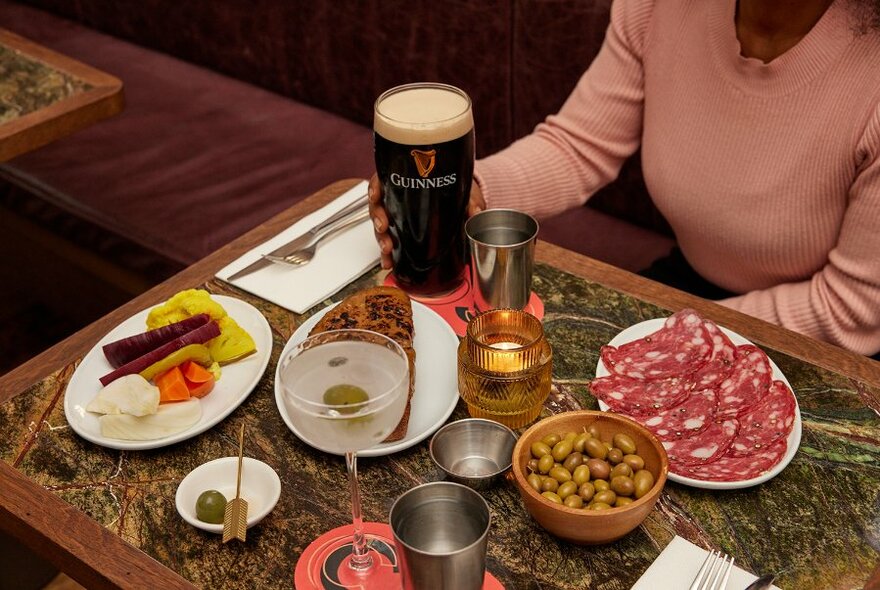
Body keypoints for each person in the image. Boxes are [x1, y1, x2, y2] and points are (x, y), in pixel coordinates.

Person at [369, 0, 880, 356]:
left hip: (820, 344)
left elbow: (846, 310)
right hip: (687, 292)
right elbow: (578, 147)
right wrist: (466, 192)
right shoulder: (658, 5)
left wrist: (675, 332)